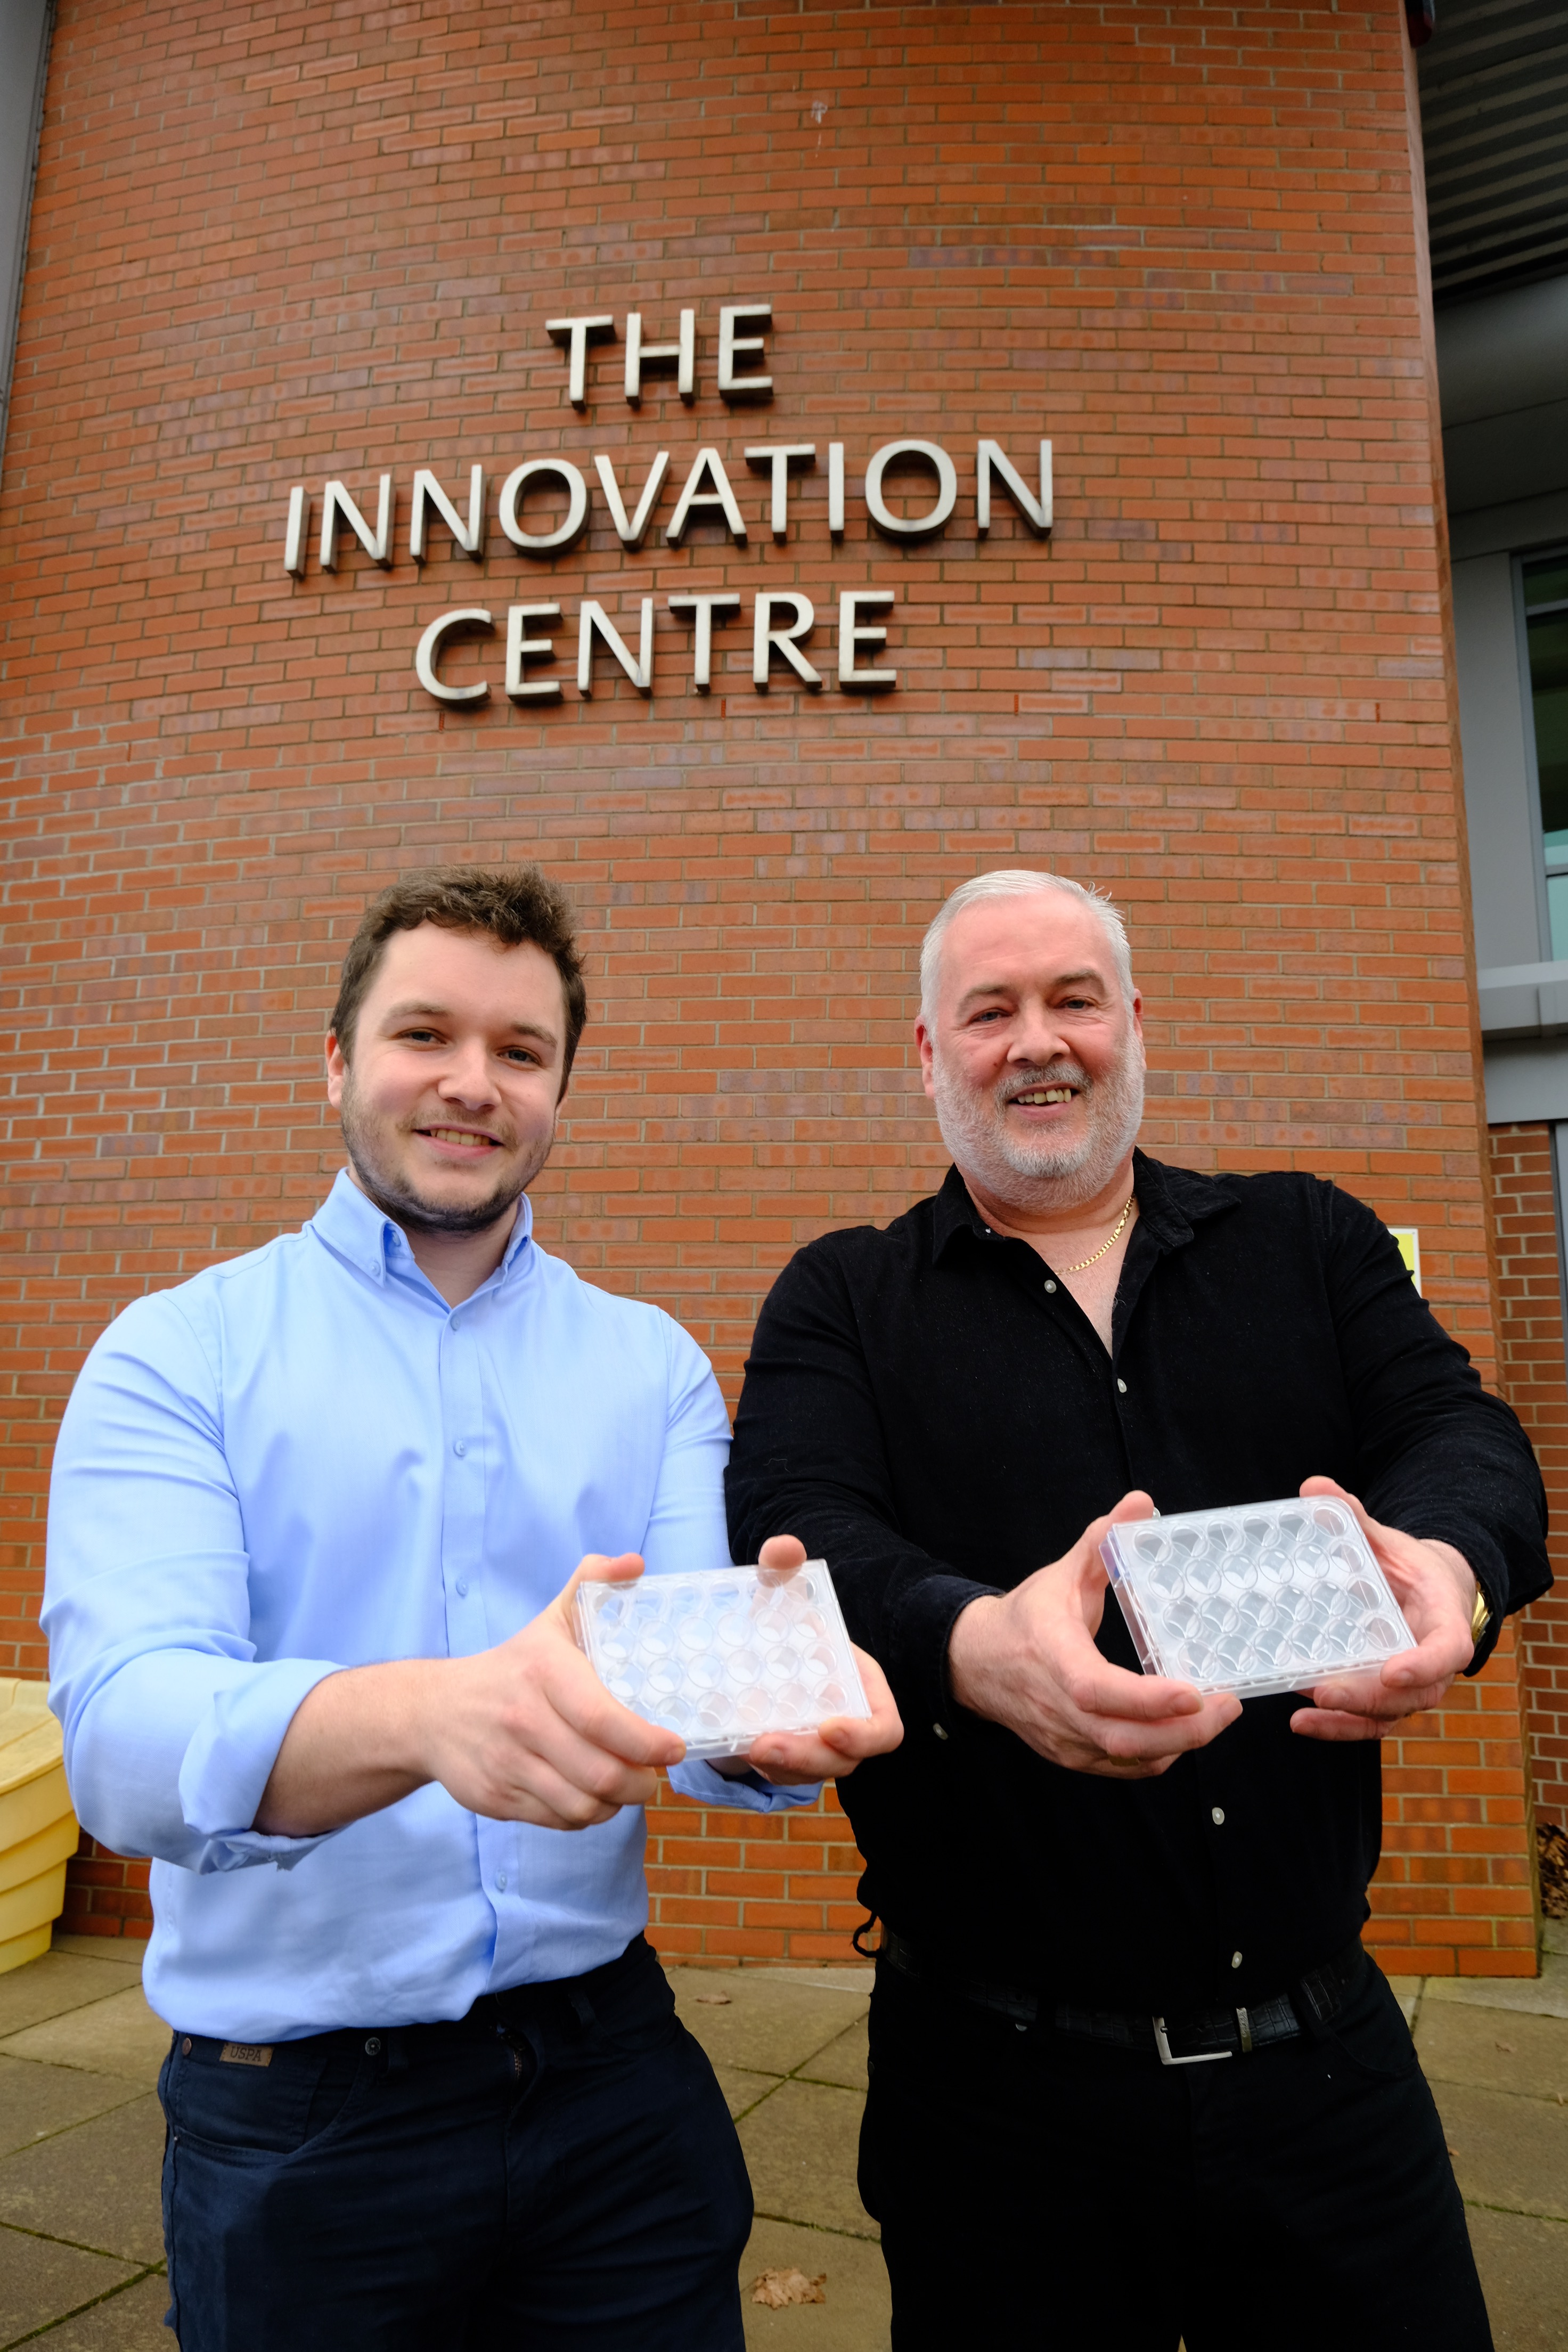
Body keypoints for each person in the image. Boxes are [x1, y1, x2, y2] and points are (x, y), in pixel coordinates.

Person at [44, 863, 901, 2352]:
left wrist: (773, 1719)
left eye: (521, 1052)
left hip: (610, 2083)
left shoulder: (652, 1368)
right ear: (336, 1060)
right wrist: (433, 1717)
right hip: (300, 2116)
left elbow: (688, 1699)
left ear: (563, 1087)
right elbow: (124, 1740)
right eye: (423, 1035)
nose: (471, 1085)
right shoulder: (176, 1353)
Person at [725, 868, 1550, 2352]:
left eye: (1072, 1000)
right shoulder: (843, 1299)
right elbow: (798, 1525)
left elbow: (1460, 1430)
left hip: (1326, 2076)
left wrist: (1450, 1563)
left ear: (1133, 1025)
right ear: (930, 1054)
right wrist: (972, 1646)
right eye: (990, 1012)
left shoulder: (1308, 1240)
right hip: (993, 2106)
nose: (1037, 1041)